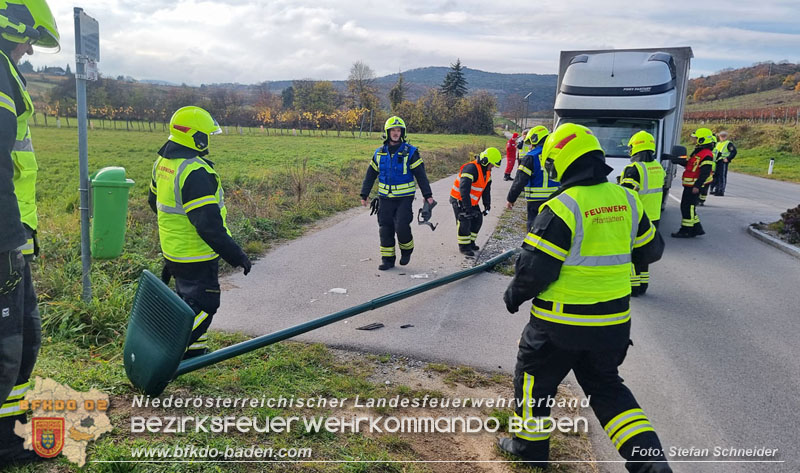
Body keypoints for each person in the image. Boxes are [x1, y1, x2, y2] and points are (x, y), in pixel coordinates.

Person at [499, 123, 671, 473]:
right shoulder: (627, 199)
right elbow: (651, 251)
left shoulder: (563, 206)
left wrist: (513, 296)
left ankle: (528, 449)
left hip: (559, 325)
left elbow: (535, 271)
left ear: (561, 162)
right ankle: (650, 464)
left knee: (534, 381)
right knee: (607, 389)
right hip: (612, 325)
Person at [0, 0, 59, 465]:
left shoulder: (5, 72)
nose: (30, 52)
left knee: (24, 334)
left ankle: (11, 427)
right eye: (29, 40)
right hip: (3, 238)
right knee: (7, 341)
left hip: (13, 235)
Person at [149, 106, 251, 359]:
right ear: (195, 137)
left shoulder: (163, 163)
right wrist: (237, 255)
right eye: (206, 135)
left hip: (173, 249)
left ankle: (194, 351)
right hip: (196, 254)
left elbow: (154, 202)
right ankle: (166, 349)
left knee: (187, 301)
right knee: (205, 304)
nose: (208, 141)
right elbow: (208, 225)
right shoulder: (195, 172)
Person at [360, 116, 434, 270]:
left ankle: (407, 250)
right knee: (385, 228)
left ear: (402, 132)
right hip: (385, 198)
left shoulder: (410, 152)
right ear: (387, 132)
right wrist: (364, 194)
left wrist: (428, 195)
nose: (395, 133)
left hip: (404, 199)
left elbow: (421, 174)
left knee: (401, 225)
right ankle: (387, 259)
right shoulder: (379, 153)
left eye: (398, 130)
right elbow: (370, 174)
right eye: (392, 130)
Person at [619, 131, 665, 296]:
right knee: (644, 252)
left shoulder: (633, 169)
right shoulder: (658, 167)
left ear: (635, 147)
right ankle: (643, 284)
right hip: (654, 216)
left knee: (630, 252)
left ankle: (632, 287)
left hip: (636, 217)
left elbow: (626, 194)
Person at [506, 126, 560, 231]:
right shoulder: (557, 154)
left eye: (531, 143)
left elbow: (520, 180)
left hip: (536, 201)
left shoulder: (530, 157)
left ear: (535, 139)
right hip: (556, 199)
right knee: (553, 230)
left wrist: (511, 199)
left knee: (533, 230)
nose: (530, 146)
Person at [449, 147, 501, 256]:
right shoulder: (471, 169)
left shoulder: (487, 173)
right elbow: (464, 190)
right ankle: (464, 247)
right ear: (485, 161)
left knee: (477, 219)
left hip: (471, 201)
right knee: (465, 220)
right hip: (459, 199)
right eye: (491, 165)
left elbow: (486, 191)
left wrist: (487, 205)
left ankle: (471, 243)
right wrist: (467, 209)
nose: (492, 168)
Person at [670, 128, 714, 238]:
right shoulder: (699, 152)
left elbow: (705, 172)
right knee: (689, 207)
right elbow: (691, 165)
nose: (694, 140)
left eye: (696, 138)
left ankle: (686, 230)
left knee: (687, 207)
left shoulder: (706, 154)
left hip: (694, 186)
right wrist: (676, 160)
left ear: (702, 140)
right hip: (690, 185)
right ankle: (697, 229)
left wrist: (697, 186)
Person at [710, 130, 736, 196]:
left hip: (723, 161)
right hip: (716, 161)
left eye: (724, 136)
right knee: (716, 176)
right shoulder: (718, 144)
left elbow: (734, 152)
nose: (722, 138)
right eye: (721, 136)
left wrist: (728, 158)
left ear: (726, 137)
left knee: (722, 176)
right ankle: (716, 189)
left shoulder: (728, 143)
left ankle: (721, 191)